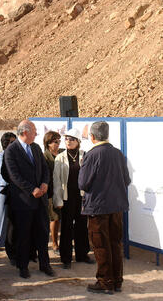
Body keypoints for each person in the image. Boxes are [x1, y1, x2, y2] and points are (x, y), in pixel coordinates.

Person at [78, 121, 131, 295]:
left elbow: (83, 183)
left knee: (101, 245)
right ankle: (117, 281)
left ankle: (105, 281)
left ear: (92, 137)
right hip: (116, 206)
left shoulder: (91, 155)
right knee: (115, 243)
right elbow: (127, 180)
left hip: (98, 208)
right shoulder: (117, 153)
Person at [3, 119, 54, 279]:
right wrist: (32, 189)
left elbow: (45, 169)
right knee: (23, 235)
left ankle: (45, 265)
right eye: (34, 131)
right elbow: (14, 176)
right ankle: (22, 266)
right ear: (25, 133)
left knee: (42, 233)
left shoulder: (36, 147)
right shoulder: (11, 151)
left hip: (40, 200)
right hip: (23, 201)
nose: (36, 134)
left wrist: (45, 183)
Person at [53, 128, 91, 269]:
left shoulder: (84, 156)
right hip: (66, 198)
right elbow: (56, 181)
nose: (68, 141)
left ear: (78, 141)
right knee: (67, 227)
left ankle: (82, 254)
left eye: (71, 139)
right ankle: (66, 258)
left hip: (81, 197)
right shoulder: (60, 158)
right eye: (66, 138)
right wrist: (58, 200)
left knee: (82, 226)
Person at [0, 132, 16, 252]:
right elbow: (3, 172)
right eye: (12, 142)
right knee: (1, 215)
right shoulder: (2, 155)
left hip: (15, 189)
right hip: (4, 188)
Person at [43, 131, 63, 254]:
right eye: (56, 141)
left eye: (59, 141)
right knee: (54, 218)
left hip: (63, 190)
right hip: (51, 191)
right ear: (49, 143)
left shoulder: (62, 153)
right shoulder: (45, 156)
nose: (58, 143)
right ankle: (54, 243)